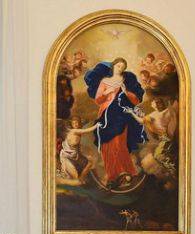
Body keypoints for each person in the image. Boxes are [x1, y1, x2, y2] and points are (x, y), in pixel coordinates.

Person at [83, 57, 147, 189]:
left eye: (123, 67)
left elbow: (135, 100)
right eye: (118, 66)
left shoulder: (126, 81)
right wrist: (106, 92)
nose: (120, 69)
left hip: (121, 115)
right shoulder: (105, 81)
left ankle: (124, 171)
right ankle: (113, 175)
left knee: (119, 143)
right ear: (113, 66)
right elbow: (98, 100)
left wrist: (126, 91)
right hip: (106, 115)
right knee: (107, 145)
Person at [58, 116, 99, 182]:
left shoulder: (78, 132)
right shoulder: (74, 131)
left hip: (75, 156)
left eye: (77, 123)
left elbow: (78, 147)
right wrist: (96, 126)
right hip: (66, 157)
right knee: (75, 177)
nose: (76, 124)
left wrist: (86, 155)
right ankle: (78, 180)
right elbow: (87, 130)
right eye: (74, 123)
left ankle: (82, 178)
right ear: (71, 125)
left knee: (91, 162)